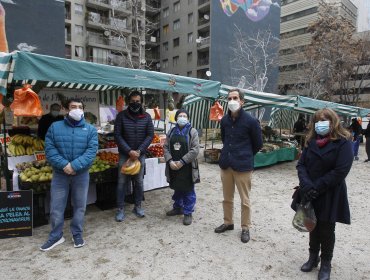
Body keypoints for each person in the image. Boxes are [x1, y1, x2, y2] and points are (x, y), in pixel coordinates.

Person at [292, 108, 353, 280]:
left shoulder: (343, 142)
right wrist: (306, 184)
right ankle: (313, 257)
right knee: (311, 224)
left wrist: (316, 187)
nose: (320, 123)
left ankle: (326, 262)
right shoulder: (311, 140)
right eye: (317, 120)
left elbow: (340, 170)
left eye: (324, 119)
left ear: (333, 122)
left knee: (326, 229)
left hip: (329, 192)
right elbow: (301, 165)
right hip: (309, 191)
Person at [40, 98, 98, 251]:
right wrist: (64, 165)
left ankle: (77, 233)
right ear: (66, 110)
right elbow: (50, 149)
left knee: (80, 206)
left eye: (80, 107)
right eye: (73, 107)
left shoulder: (90, 129)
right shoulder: (55, 127)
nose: (77, 109)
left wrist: (74, 165)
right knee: (56, 207)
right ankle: (56, 236)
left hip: (81, 174)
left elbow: (91, 151)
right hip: (60, 174)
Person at [214, 88, 263, 243]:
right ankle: (228, 222)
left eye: (235, 98)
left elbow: (258, 144)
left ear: (242, 101)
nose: (232, 101)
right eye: (229, 99)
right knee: (226, 198)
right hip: (226, 164)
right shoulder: (224, 120)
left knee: (245, 200)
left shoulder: (251, 121)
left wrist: (245, 155)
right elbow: (224, 139)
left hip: (243, 165)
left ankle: (245, 227)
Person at [114, 91, 154, 221]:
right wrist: (129, 150)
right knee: (121, 182)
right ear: (128, 101)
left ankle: (138, 206)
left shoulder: (147, 117)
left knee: (139, 182)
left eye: (138, 101)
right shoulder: (121, 116)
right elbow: (117, 135)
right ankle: (120, 208)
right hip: (125, 155)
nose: (135, 103)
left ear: (141, 102)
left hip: (139, 155)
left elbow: (150, 135)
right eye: (132, 101)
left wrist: (139, 151)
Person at [163, 109, 200, 226]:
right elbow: (165, 148)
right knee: (177, 187)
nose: (182, 117)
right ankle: (178, 207)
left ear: (188, 119)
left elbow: (195, 150)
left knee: (188, 189)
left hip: (187, 167)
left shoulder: (192, 132)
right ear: (176, 118)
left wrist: (182, 161)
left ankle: (188, 212)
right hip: (173, 166)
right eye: (180, 115)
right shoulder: (171, 132)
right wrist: (170, 161)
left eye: (185, 116)